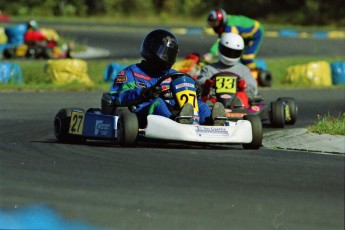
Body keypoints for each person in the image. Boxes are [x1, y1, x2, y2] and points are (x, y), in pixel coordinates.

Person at [109, 29, 226, 127]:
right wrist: (144, 93)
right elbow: (118, 98)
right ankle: (176, 122)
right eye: (163, 53)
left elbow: (188, 98)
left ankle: (210, 122)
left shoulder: (176, 75)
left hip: (176, 111)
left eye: (170, 54)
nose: (166, 58)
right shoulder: (131, 72)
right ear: (150, 49)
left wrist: (196, 90)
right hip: (141, 114)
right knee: (157, 102)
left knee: (200, 105)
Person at [198, 32, 258, 108]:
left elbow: (253, 90)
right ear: (220, 48)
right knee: (206, 98)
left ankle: (239, 108)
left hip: (236, 103)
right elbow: (198, 88)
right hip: (215, 101)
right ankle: (212, 110)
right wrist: (206, 84)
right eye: (228, 51)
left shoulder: (243, 70)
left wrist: (244, 86)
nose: (231, 55)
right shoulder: (209, 69)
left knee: (242, 95)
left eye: (234, 53)